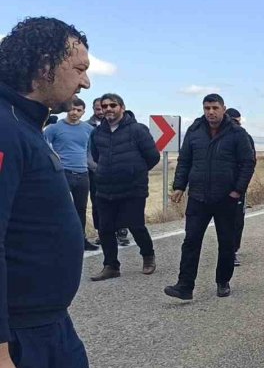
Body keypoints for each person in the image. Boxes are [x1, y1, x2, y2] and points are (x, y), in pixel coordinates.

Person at [0, 16, 103, 368]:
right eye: (79, 69)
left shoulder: (27, 125)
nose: (86, 83)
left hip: (52, 325)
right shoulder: (4, 129)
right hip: (17, 336)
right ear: (45, 65)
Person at [164, 94, 255, 300]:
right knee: (191, 241)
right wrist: (179, 186)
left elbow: (248, 163)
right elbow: (185, 160)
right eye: (207, 108)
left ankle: (223, 281)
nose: (211, 112)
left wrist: (237, 191)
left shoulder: (237, 134)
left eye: (215, 107)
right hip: (198, 197)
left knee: (226, 242)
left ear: (224, 109)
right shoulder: (194, 132)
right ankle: (185, 286)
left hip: (227, 198)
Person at [88, 93, 160, 281]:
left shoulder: (137, 130)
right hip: (104, 188)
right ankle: (111, 266)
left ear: (122, 107)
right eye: (105, 106)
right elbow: (96, 157)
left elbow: (153, 157)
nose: (109, 109)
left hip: (133, 188)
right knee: (105, 229)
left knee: (135, 225)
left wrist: (134, 171)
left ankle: (148, 256)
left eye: (113, 105)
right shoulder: (97, 133)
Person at [44, 97, 99, 251]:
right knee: (61, 207)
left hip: (83, 174)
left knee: (81, 209)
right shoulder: (54, 128)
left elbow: (92, 150)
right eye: (72, 109)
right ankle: (58, 240)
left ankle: (80, 240)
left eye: (78, 110)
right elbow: (43, 145)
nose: (74, 112)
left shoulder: (89, 129)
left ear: (83, 112)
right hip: (63, 173)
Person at [86, 97, 130, 247]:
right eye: (98, 108)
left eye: (105, 107)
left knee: (121, 202)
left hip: (118, 174)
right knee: (98, 204)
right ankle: (102, 232)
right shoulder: (88, 127)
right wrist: (98, 168)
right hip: (96, 174)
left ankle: (121, 231)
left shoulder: (122, 126)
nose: (102, 111)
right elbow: (90, 152)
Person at [224, 107, 255, 267]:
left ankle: (233, 251)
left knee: (236, 220)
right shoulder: (215, 136)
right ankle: (228, 250)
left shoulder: (244, 137)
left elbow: (249, 163)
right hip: (217, 188)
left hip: (236, 188)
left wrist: (240, 188)